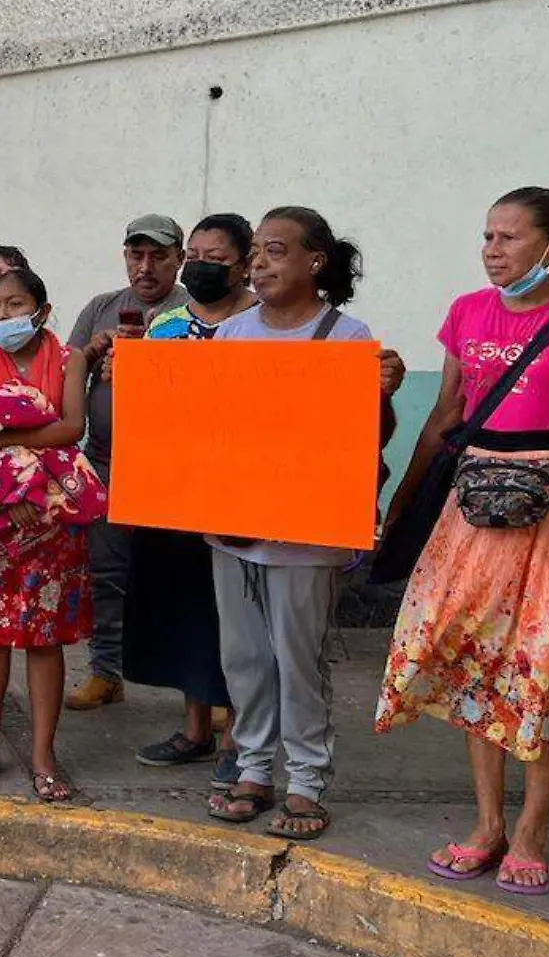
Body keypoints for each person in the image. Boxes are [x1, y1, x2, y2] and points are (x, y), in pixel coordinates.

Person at [375, 188, 549, 895]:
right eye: (487, 237)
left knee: (546, 663)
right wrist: (400, 510)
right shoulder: (466, 311)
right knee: (473, 661)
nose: (492, 251)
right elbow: (444, 417)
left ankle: (532, 830)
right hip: (475, 509)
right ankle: (489, 824)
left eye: (509, 238)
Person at [204, 207, 392, 841]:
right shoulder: (231, 335)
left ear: (316, 262)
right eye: (255, 251)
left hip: (307, 533)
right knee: (245, 656)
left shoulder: (346, 335)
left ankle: (306, 779)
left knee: (299, 658)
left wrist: (381, 394)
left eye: (275, 251)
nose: (259, 263)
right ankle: (254, 767)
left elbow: (367, 439)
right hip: (234, 527)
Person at [0, 267, 105, 801]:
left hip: (51, 523)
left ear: (42, 311)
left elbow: (72, 427)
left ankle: (42, 755)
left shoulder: (71, 360)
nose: (4, 316)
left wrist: (10, 453)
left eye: (15, 304)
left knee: (44, 639)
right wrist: (7, 494)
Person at [116, 214, 256, 786]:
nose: (200, 264)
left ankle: (237, 735)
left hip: (240, 491)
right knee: (186, 611)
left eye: (214, 256)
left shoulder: (259, 324)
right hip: (173, 489)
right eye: (193, 253)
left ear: (244, 264)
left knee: (236, 617)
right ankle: (195, 727)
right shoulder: (164, 324)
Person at [63, 214, 190, 711]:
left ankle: (198, 688)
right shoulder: (102, 308)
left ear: (179, 258)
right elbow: (66, 372)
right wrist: (91, 354)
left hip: (173, 468)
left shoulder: (194, 311)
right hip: (106, 463)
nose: (146, 266)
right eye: (136, 255)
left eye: (158, 256)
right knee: (106, 574)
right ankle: (105, 672)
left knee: (182, 579)